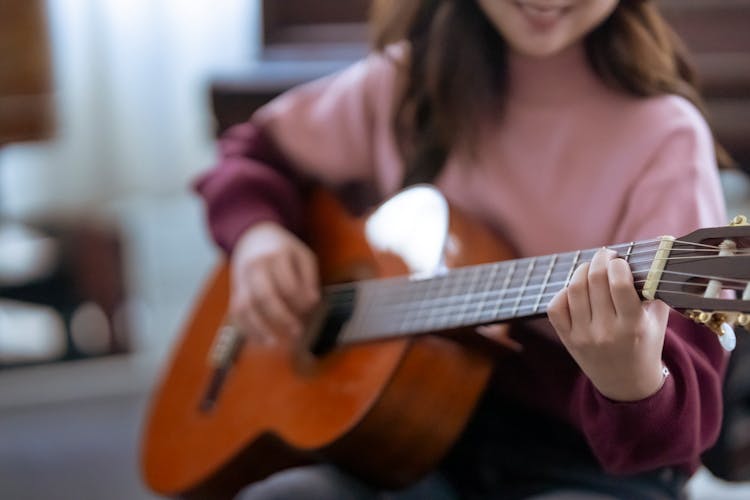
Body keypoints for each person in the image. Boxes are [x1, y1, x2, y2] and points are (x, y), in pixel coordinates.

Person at [194, 0, 731, 498]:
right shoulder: (403, 84)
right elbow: (251, 152)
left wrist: (629, 380)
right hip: (409, 435)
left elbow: (676, 439)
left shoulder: (666, 136)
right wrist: (258, 234)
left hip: (586, 461)